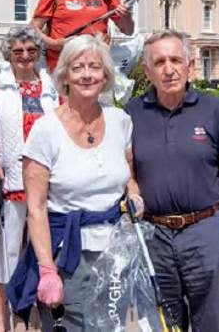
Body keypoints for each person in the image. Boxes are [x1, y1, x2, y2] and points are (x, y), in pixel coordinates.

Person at [125, 30, 219, 332]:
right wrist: (133, 193)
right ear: (147, 71)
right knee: (161, 325)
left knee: (216, 323)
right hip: (153, 235)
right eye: (160, 62)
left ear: (189, 66)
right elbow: (126, 171)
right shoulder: (131, 114)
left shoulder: (214, 110)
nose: (169, 69)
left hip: (205, 232)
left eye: (176, 60)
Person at [21, 34, 142, 331]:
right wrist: (47, 269)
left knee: (111, 324)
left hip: (115, 250)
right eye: (78, 68)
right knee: (74, 324)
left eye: (94, 67)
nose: (87, 74)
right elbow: (35, 208)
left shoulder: (120, 121)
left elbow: (129, 175)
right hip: (69, 254)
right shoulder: (45, 129)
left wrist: (135, 194)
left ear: (106, 75)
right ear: (64, 76)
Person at [0, 26, 60, 332]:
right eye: (18, 52)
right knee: (8, 251)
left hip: (47, 181)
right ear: (9, 55)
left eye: (31, 51)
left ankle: (39, 314)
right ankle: (3, 317)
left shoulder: (51, 86)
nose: (25, 57)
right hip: (12, 179)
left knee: (46, 248)